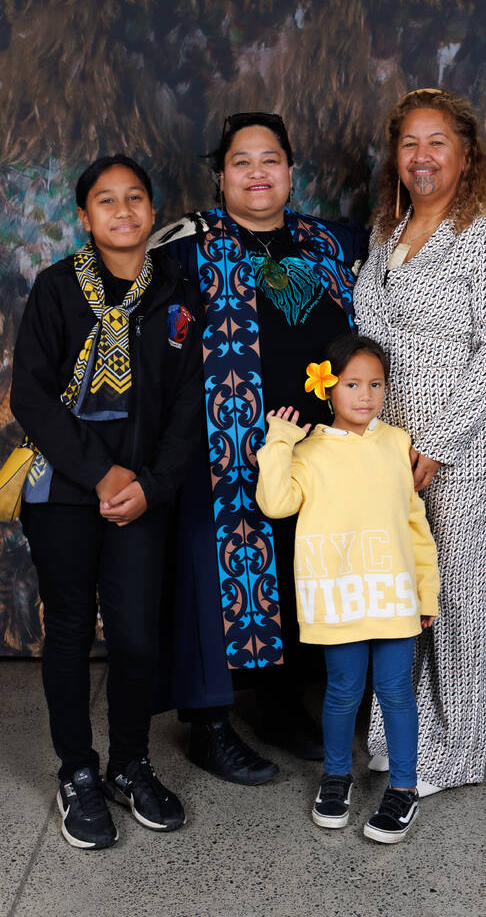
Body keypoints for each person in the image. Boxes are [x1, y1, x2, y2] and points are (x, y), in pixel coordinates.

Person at [150, 113, 367, 785]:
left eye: (269, 159)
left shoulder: (328, 242)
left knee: (297, 576)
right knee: (213, 581)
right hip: (217, 448)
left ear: (290, 171)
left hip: (315, 450)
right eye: (240, 161)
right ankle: (209, 727)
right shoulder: (185, 245)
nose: (256, 173)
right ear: (219, 175)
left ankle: (278, 704)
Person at [10, 154, 202, 849]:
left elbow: (188, 406)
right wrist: (101, 475)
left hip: (143, 491)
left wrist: (149, 484)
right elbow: (29, 395)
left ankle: (129, 764)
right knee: (67, 627)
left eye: (135, 199)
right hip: (64, 487)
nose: (123, 211)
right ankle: (77, 773)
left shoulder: (178, 294)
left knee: (134, 635)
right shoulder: (56, 289)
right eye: (106, 201)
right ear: (85, 218)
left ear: (151, 212)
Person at [354, 88, 486, 796]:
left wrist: (434, 444)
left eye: (436, 143)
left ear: (465, 154)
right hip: (386, 449)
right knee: (398, 600)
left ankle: (453, 754)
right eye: (408, 144)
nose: (421, 156)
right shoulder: (385, 231)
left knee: (449, 601)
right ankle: (394, 736)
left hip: (455, 452)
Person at [255, 334, 439, 842]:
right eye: (353, 384)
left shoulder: (397, 443)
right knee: (342, 692)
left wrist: (426, 592)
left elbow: (415, 523)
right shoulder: (309, 452)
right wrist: (278, 441)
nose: (365, 395)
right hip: (339, 597)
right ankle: (336, 779)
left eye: (375, 384)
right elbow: (274, 503)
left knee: (397, 691)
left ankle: (403, 789)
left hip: (394, 594)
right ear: (329, 388)